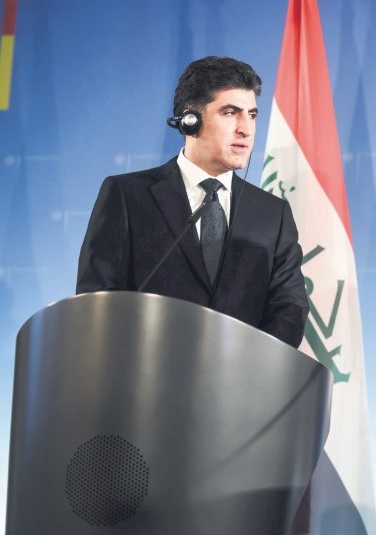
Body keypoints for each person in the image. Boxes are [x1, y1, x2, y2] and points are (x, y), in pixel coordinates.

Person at [77, 56, 307, 347]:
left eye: (251, 115)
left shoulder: (273, 215)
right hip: (146, 384)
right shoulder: (126, 196)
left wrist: (248, 370)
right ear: (190, 120)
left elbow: (290, 309)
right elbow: (97, 303)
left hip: (242, 386)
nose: (245, 129)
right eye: (230, 113)